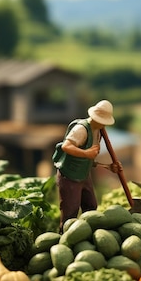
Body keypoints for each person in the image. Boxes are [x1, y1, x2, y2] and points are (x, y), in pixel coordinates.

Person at [53, 100, 122, 233]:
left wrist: (108, 166)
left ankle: (88, 235)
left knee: (91, 206)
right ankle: (65, 238)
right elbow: (66, 146)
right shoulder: (81, 129)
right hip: (70, 176)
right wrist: (86, 153)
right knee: (70, 211)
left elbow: (88, 160)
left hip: (84, 175)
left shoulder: (98, 131)